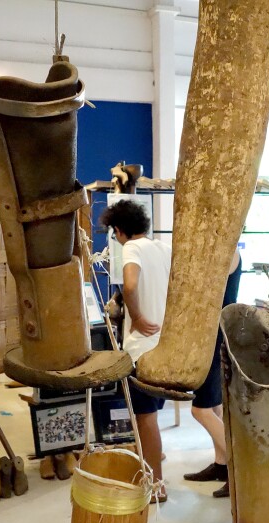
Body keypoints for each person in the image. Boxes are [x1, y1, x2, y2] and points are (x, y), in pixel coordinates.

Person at [100, 199, 172, 499]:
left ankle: (156, 485)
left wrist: (138, 317)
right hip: (165, 344)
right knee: (151, 416)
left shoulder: (131, 248)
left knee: (145, 419)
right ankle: (152, 472)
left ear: (119, 230)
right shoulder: (163, 248)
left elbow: (130, 285)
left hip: (141, 347)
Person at [183, 248, 241, 498]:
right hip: (212, 334)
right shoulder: (225, 249)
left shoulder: (227, 252)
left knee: (201, 410)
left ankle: (239, 469)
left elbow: (206, 293)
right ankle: (222, 466)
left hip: (215, 334)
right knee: (214, 406)